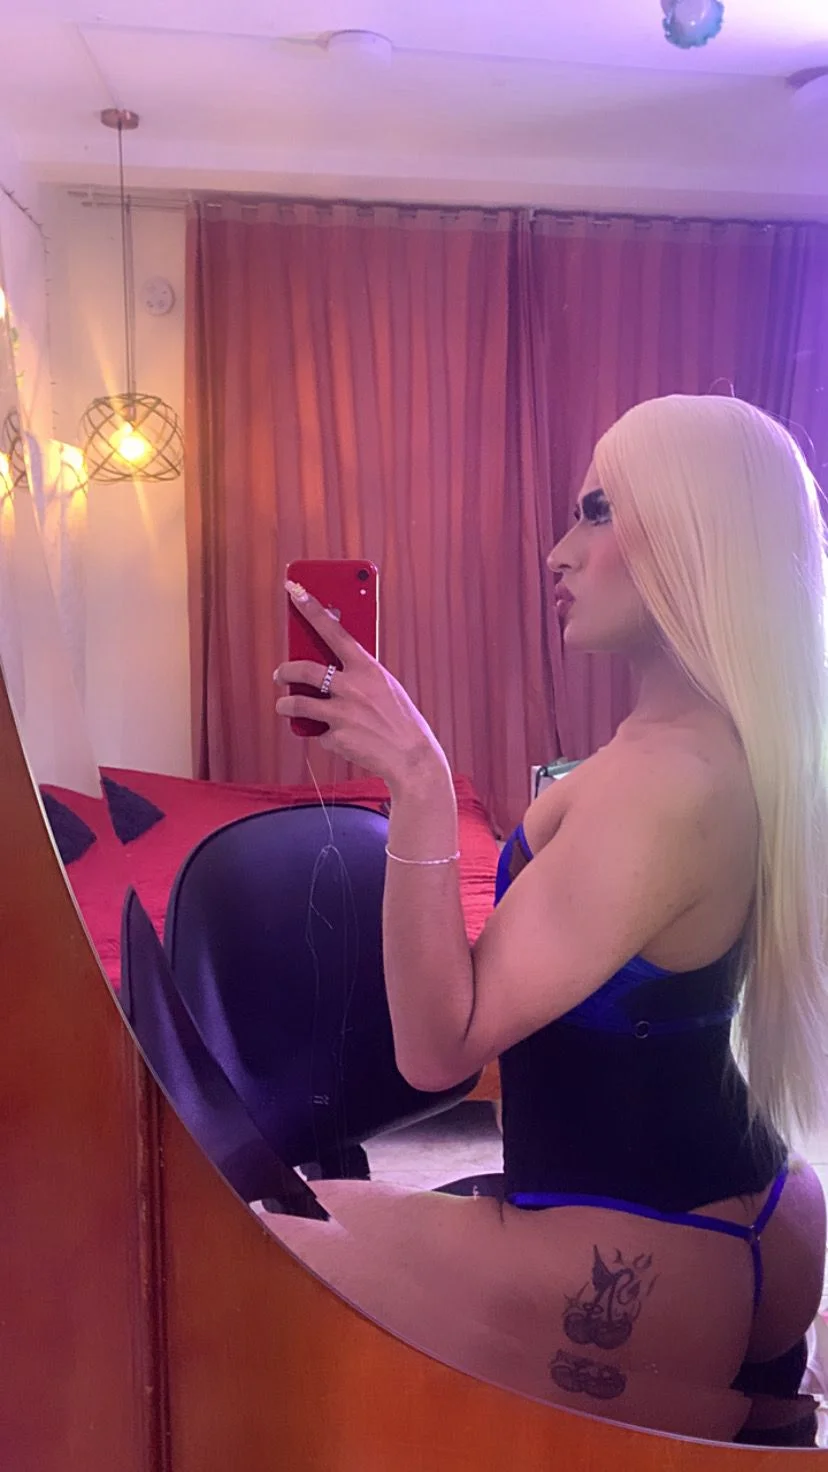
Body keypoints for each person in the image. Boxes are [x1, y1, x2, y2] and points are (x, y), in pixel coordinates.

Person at [268, 394, 827, 1442]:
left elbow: (438, 1048)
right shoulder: (744, 746)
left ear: (698, 534)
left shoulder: (658, 785)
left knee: (258, 1240)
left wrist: (420, 782)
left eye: (598, 511)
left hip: (640, 1258)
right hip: (764, 1216)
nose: (558, 552)